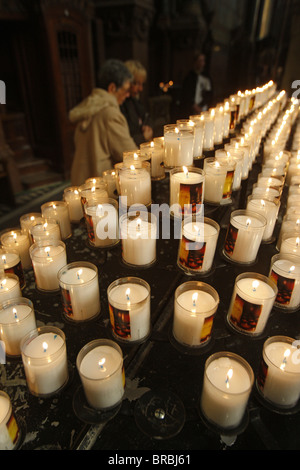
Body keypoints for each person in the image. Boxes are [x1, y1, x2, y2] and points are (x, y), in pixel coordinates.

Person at [69, 59, 138, 186]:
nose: (128, 95)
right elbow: (130, 154)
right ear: (112, 88)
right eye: (125, 90)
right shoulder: (110, 114)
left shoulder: (87, 107)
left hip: (81, 179)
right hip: (100, 183)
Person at [120, 60, 153, 146]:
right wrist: (143, 138)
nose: (141, 89)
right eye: (137, 83)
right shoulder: (120, 104)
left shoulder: (135, 100)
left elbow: (146, 117)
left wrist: (147, 127)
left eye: (142, 84)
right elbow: (122, 140)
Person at [180, 52, 213, 118]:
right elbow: (186, 93)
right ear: (195, 62)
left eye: (203, 60)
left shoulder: (206, 77)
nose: (202, 63)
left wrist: (203, 106)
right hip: (190, 109)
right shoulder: (189, 77)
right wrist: (193, 105)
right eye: (200, 60)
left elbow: (209, 93)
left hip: (204, 108)